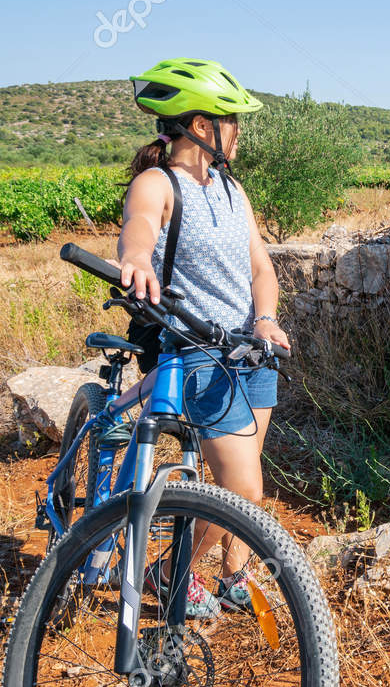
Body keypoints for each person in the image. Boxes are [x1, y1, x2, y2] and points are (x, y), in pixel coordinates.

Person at [113, 58, 288, 618]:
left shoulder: (234, 191)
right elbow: (138, 228)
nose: (240, 130)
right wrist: (137, 260)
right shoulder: (158, 183)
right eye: (233, 119)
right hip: (198, 353)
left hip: (251, 352)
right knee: (243, 491)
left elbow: (262, 268)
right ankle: (169, 571)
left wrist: (265, 319)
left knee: (244, 471)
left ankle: (234, 574)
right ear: (203, 125)